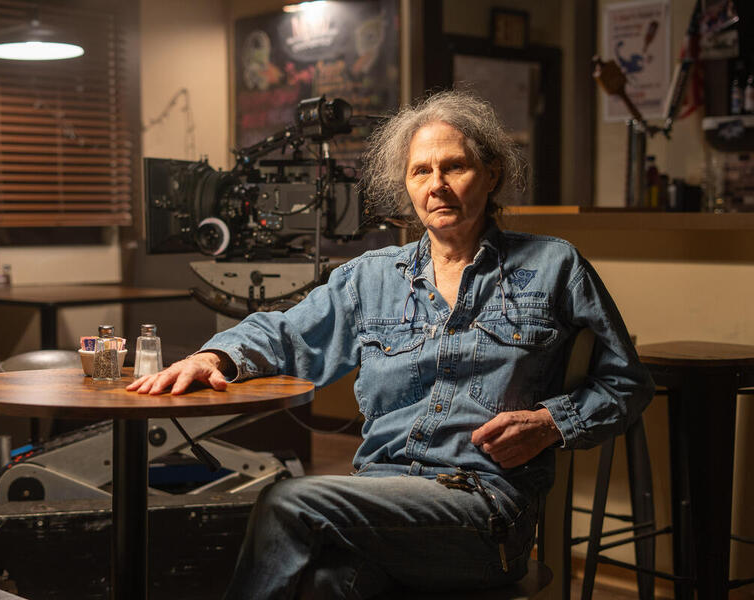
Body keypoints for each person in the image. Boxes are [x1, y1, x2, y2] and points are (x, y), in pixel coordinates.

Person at [128, 90, 654, 599]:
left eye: (455, 167)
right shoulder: (370, 277)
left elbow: (627, 383)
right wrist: (213, 356)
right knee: (324, 585)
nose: (437, 185)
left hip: (484, 514)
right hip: (377, 501)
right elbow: (286, 333)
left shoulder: (553, 265)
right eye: (420, 171)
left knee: (286, 500)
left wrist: (549, 424)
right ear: (406, 185)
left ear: (492, 174)